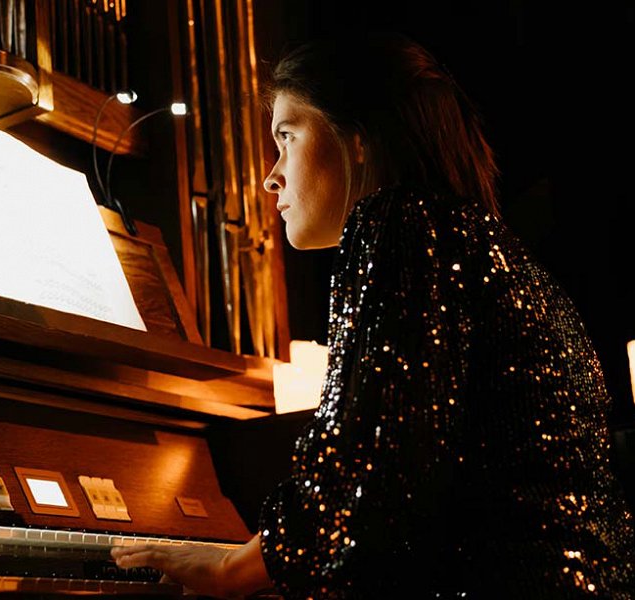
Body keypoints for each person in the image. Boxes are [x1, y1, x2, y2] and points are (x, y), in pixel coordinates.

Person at [110, 31, 635, 598]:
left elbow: (368, 466)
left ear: (357, 138)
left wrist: (230, 570)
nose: (270, 175)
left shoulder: (400, 224)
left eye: (287, 136)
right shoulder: (485, 246)